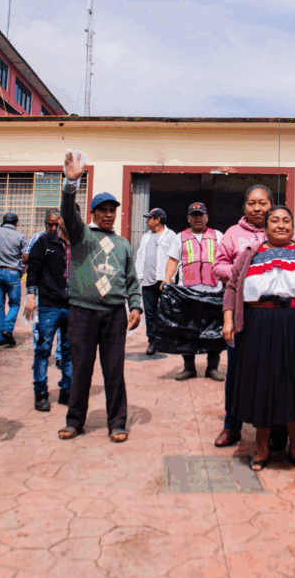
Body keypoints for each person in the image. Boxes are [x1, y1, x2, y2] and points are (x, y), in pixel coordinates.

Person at [223, 205, 295, 471]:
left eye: (286, 221)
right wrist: (228, 318)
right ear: (265, 226)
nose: (281, 225)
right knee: (262, 382)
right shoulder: (250, 254)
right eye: (274, 220)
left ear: (293, 226)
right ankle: (261, 448)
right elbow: (232, 286)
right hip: (258, 324)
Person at [58, 151, 142, 443]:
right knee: (81, 369)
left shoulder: (123, 244)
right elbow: (68, 213)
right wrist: (71, 184)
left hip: (114, 315)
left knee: (114, 371)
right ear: (92, 214)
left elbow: (132, 279)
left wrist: (136, 306)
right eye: (102, 210)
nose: (108, 215)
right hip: (82, 312)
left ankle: (117, 423)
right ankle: (74, 422)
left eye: (112, 210)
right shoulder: (81, 236)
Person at [211, 184, 274, 447]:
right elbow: (218, 267)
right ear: (244, 206)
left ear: (271, 205)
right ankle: (232, 425)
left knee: (272, 371)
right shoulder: (233, 234)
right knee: (236, 371)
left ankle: (274, 427)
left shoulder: (278, 229)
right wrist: (244, 272)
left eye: (262, 203)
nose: (257, 208)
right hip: (240, 314)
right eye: (252, 203)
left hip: (273, 316)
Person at [161, 202, 226, 381]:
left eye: (201, 215)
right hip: (187, 295)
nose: (198, 218)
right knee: (187, 332)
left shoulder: (218, 236)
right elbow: (173, 260)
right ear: (188, 219)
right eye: (194, 215)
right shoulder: (179, 237)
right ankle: (189, 368)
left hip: (213, 293)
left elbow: (225, 259)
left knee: (214, 332)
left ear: (207, 217)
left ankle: (212, 368)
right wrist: (167, 279)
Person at [23, 212, 73, 412]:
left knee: (69, 351)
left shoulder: (80, 243)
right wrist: (31, 296)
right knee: (43, 350)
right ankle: (41, 392)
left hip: (72, 305)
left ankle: (67, 390)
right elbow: (33, 269)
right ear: (60, 220)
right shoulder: (45, 241)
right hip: (49, 306)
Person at [24, 209, 64, 368]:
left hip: (60, 289)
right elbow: (26, 257)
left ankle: (60, 356)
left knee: (63, 323)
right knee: (38, 323)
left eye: (56, 225)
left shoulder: (65, 239)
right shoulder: (38, 238)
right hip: (41, 289)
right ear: (45, 223)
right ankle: (40, 355)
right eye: (49, 225)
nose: (53, 228)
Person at [135, 207, 174, 356]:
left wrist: (170, 278)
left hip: (163, 281)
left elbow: (176, 259)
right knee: (150, 313)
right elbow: (140, 257)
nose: (147, 222)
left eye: (149, 218)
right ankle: (153, 341)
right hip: (147, 281)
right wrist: (138, 275)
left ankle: (167, 340)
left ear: (157, 220)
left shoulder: (170, 236)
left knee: (166, 312)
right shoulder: (146, 237)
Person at [0, 212, 26, 347]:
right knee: (14, 304)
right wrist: (21, 270)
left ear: (3, 221)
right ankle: (7, 329)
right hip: (13, 272)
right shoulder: (20, 236)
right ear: (16, 223)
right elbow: (25, 257)